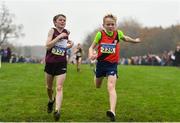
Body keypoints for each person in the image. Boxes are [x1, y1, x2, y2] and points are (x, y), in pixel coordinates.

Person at [88, 14, 141, 122]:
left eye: (113, 24)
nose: (111, 26)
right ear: (104, 25)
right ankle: (96, 74)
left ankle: (112, 111)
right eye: (108, 24)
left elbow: (126, 38)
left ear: (115, 25)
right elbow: (92, 47)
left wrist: (135, 41)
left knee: (111, 87)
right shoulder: (100, 34)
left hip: (112, 65)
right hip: (101, 64)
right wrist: (91, 54)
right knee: (97, 85)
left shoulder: (118, 34)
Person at [44, 14, 73, 121]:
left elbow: (63, 47)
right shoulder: (52, 31)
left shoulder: (67, 32)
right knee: (49, 88)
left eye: (64, 20)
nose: (62, 21)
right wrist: (58, 37)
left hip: (61, 63)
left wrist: (70, 45)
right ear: (55, 22)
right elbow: (47, 46)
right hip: (50, 63)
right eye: (60, 20)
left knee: (59, 87)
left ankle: (57, 110)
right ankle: (51, 100)